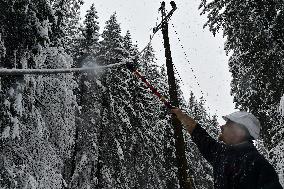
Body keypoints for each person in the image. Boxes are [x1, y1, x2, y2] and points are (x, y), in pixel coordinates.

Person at [171, 108, 283, 189]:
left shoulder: (259, 166)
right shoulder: (221, 153)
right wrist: (181, 115)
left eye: (228, 123)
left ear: (240, 132)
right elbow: (199, 134)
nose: (221, 126)